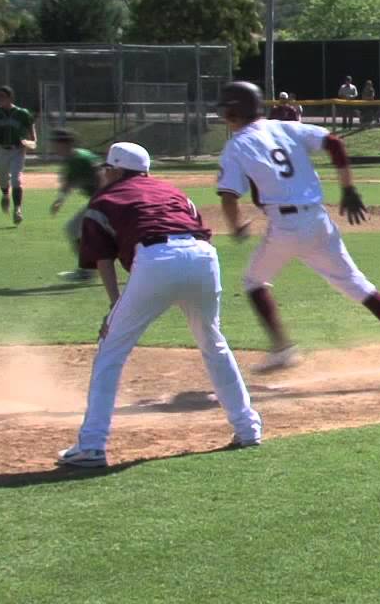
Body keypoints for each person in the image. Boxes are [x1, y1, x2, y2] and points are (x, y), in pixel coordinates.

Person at [56, 142, 263, 468]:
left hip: (156, 259)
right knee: (213, 343)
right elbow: (196, 228)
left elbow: (103, 259)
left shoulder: (105, 199)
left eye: (107, 169)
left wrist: (114, 308)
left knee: (111, 351)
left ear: (116, 171)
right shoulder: (173, 191)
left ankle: (92, 445)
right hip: (203, 257)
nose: (104, 174)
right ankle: (248, 428)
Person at [214, 81, 380, 385]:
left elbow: (228, 196)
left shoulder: (236, 146)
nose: (224, 117)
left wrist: (236, 227)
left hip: (285, 226)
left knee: (253, 282)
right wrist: (348, 190)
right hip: (318, 220)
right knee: (358, 285)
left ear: (234, 112)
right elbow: (335, 143)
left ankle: (282, 348)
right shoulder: (286, 127)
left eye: (226, 111)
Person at [48, 129, 102, 282]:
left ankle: (87, 271)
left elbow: (102, 174)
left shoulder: (82, 158)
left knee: (73, 228)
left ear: (64, 143)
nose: (53, 146)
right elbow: (69, 182)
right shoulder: (71, 159)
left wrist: (103, 198)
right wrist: (59, 200)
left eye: (55, 143)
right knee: (76, 229)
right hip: (101, 200)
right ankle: (89, 269)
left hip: (105, 200)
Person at [0, 85, 36, 224]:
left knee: (16, 179)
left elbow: (30, 124)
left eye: (2, 96)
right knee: (3, 179)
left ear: (10, 97)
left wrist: (33, 140)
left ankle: (17, 209)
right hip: (1, 150)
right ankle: (5, 195)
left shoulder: (21, 113)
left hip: (18, 150)